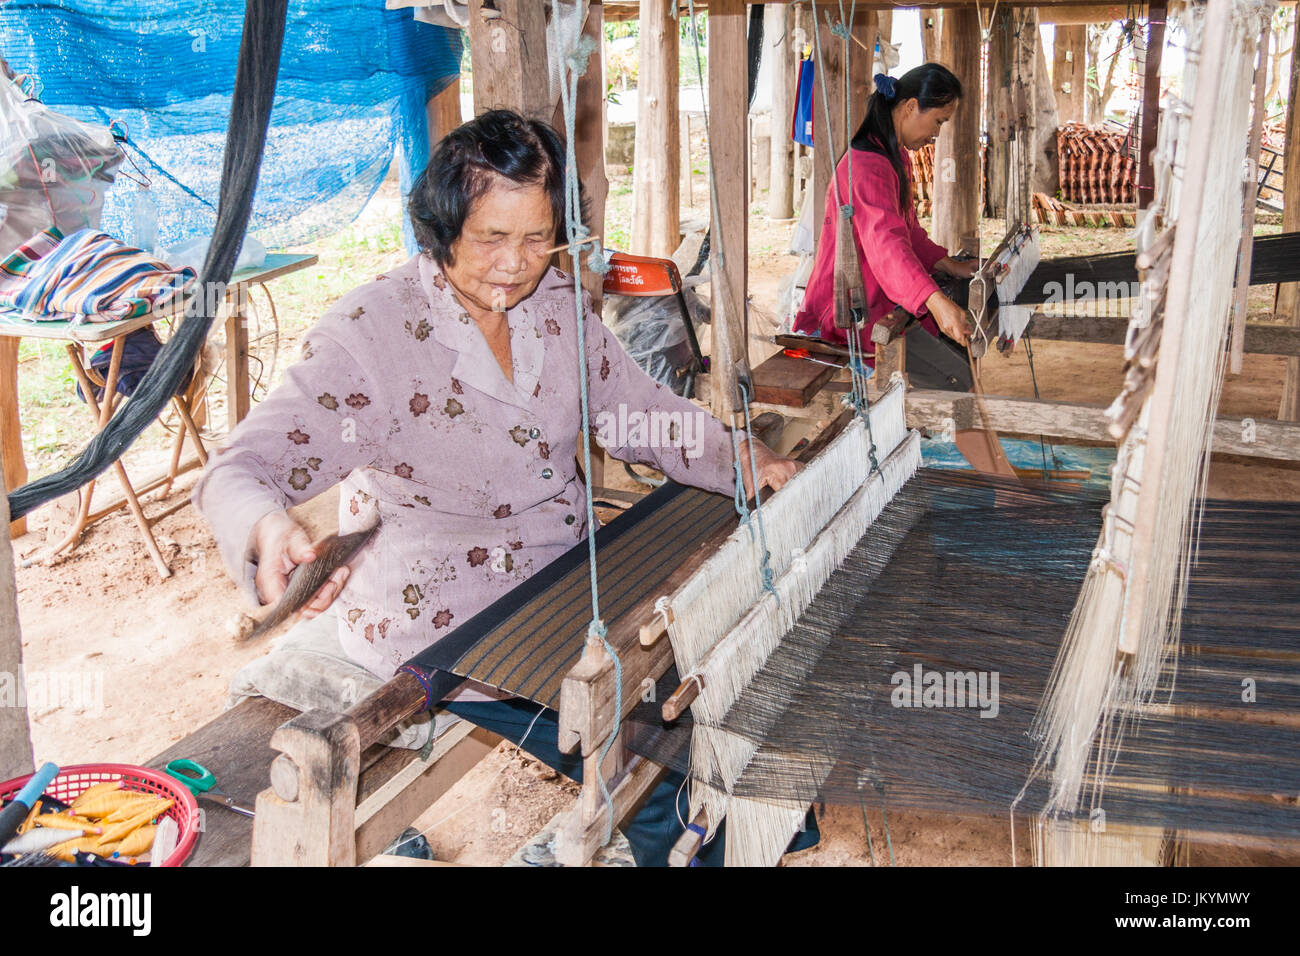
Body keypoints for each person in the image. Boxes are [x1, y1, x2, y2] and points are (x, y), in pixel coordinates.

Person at [193, 109, 809, 865]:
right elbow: (237, 470)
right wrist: (267, 530)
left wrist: (736, 456)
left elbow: (637, 414)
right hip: (455, 628)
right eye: (492, 237)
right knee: (679, 792)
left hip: (568, 581)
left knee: (745, 721)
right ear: (443, 225)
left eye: (536, 237)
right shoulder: (374, 338)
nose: (516, 264)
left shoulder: (554, 308)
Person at [793, 62, 1012, 475]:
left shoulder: (891, 157)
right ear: (911, 107)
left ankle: (1002, 480)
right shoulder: (867, 165)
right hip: (852, 312)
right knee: (957, 382)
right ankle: (1007, 490)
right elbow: (886, 246)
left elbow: (906, 229)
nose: (937, 134)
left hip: (882, 299)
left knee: (956, 371)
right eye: (938, 121)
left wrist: (947, 264)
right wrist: (936, 303)